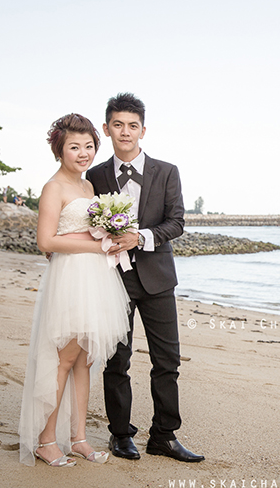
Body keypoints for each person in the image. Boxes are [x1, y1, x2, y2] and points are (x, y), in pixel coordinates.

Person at [86, 93, 203, 462]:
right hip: (111, 280)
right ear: (107, 129)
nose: (125, 132)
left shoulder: (167, 171)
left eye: (132, 125)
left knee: (167, 360)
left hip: (157, 279)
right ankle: (120, 435)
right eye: (117, 125)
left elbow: (177, 222)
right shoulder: (95, 175)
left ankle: (164, 436)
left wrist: (141, 237)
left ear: (143, 130)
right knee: (116, 360)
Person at [19, 114, 131, 467]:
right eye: (74, 147)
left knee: (85, 360)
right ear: (60, 150)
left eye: (88, 146)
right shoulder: (54, 187)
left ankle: (79, 437)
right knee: (63, 360)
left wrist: (108, 237)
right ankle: (46, 440)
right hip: (71, 279)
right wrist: (95, 246)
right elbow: (45, 240)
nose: (83, 153)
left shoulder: (87, 187)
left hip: (94, 279)